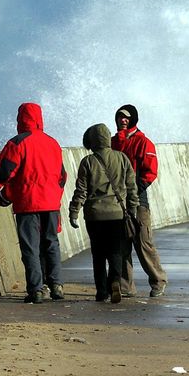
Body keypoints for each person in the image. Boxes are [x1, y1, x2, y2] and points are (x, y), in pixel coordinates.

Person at [0, 102, 68, 304]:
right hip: (51, 203)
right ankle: (56, 286)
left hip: (28, 203)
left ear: (21, 119)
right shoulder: (53, 143)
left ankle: (37, 290)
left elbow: (4, 172)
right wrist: (54, 195)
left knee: (30, 247)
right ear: (39, 119)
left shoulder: (17, 143)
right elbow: (62, 176)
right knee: (51, 243)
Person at [68, 123, 139, 303]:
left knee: (98, 254)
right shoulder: (122, 158)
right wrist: (132, 210)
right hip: (117, 214)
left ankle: (101, 292)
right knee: (116, 251)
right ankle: (115, 281)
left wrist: (74, 211)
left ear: (92, 141)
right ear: (107, 138)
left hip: (95, 216)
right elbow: (132, 189)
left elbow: (81, 191)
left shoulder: (88, 162)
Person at [111, 104, 168, 298]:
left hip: (138, 201)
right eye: (119, 117)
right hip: (116, 201)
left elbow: (150, 172)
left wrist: (136, 189)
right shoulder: (113, 142)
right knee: (122, 244)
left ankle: (158, 280)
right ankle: (126, 286)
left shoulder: (143, 142)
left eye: (126, 117)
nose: (122, 120)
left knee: (143, 241)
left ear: (133, 119)